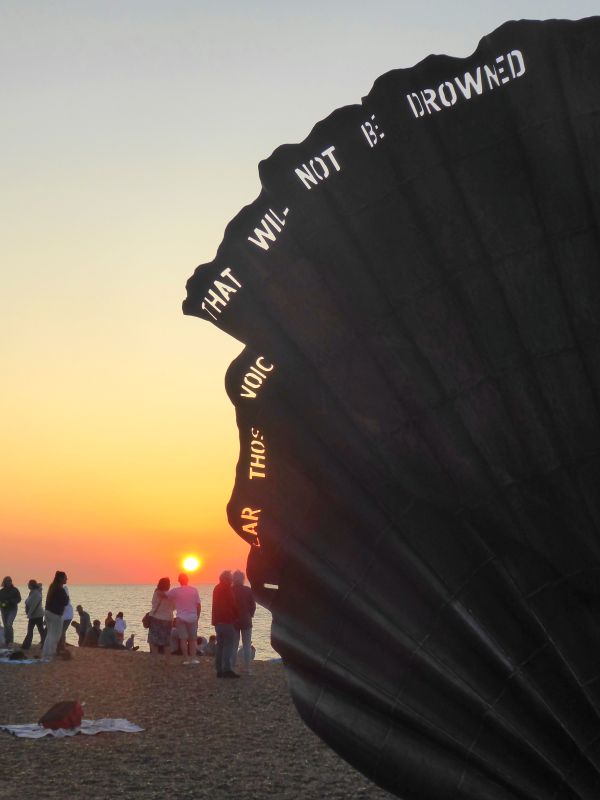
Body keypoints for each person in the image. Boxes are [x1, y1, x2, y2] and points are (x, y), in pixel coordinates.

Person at [167, 573, 201, 664]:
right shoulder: (194, 590)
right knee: (193, 639)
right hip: (192, 617)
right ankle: (193, 658)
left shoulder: (176, 591)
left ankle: (186, 659)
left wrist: (158, 590)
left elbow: (166, 595)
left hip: (181, 617)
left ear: (179, 581)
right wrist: (197, 617)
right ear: (187, 580)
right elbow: (198, 605)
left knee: (183, 639)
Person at [211, 570, 239, 678]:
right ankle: (227, 669)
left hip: (218, 621)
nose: (232, 581)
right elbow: (233, 604)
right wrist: (236, 616)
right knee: (228, 646)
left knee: (220, 646)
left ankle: (219, 669)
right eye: (231, 579)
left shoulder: (216, 588)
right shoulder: (227, 589)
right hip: (227, 620)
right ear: (227, 579)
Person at [232, 570, 256, 673]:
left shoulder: (230, 590)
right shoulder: (248, 590)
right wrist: (250, 614)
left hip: (233, 620)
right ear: (243, 579)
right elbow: (253, 605)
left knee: (234, 644)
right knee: (246, 645)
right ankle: (247, 667)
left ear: (233, 579)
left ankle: (232, 666)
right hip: (246, 620)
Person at [42, 571, 69, 658]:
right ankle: (50, 653)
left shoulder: (52, 587)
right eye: (65, 577)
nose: (66, 579)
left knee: (50, 634)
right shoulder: (60, 589)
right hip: (55, 614)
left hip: (48, 612)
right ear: (61, 578)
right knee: (55, 635)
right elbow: (65, 601)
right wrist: (67, 596)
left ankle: (46, 652)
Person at [148, 577, 175, 661]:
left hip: (156, 618)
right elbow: (174, 607)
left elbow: (154, 604)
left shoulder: (156, 592)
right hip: (168, 619)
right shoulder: (172, 595)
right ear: (168, 585)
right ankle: (168, 660)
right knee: (167, 641)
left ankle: (155, 659)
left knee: (154, 640)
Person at [21, 579, 46, 650]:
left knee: (32, 630)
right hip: (37, 614)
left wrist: (29, 614)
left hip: (36, 615)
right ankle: (44, 644)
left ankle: (26, 646)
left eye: (29, 584)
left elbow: (34, 605)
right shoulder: (34, 592)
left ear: (31, 585)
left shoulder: (35, 593)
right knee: (40, 630)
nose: (28, 585)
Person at [0, 576, 22, 647]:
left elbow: (19, 599)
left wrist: (10, 601)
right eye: (7, 581)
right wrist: (2, 604)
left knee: (9, 624)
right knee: (6, 626)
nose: (9, 582)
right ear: (4, 582)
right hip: (3, 610)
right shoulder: (1, 591)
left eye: (10, 581)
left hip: (12, 609)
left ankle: (11, 641)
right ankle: (7, 641)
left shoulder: (15, 590)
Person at [59, 588, 74, 652]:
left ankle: (62, 646)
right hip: (67, 616)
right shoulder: (66, 598)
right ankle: (62, 646)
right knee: (62, 631)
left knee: (61, 631)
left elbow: (63, 607)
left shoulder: (64, 598)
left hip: (66, 617)